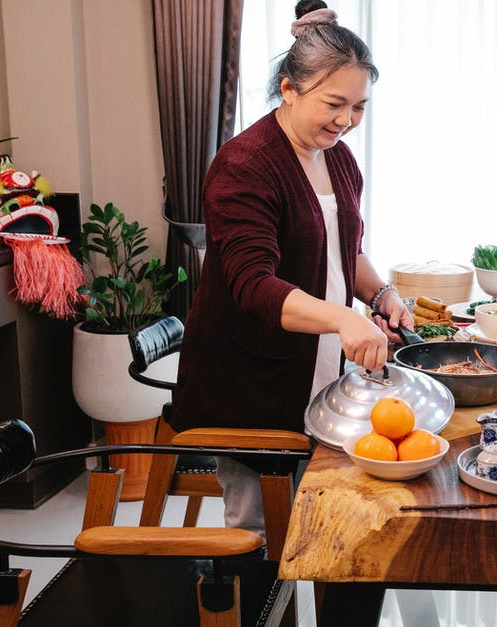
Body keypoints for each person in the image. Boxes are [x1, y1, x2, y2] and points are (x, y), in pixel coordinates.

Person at [172, 0, 413, 538]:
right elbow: (252, 285)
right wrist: (341, 319)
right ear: (288, 88)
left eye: (359, 107)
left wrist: (379, 297)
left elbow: (344, 250)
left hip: (320, 367)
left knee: (323, 523)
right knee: (260, 532)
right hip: (251, 382)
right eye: (334, 103)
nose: (346, 121)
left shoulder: (339, 157)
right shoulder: (245, 164)